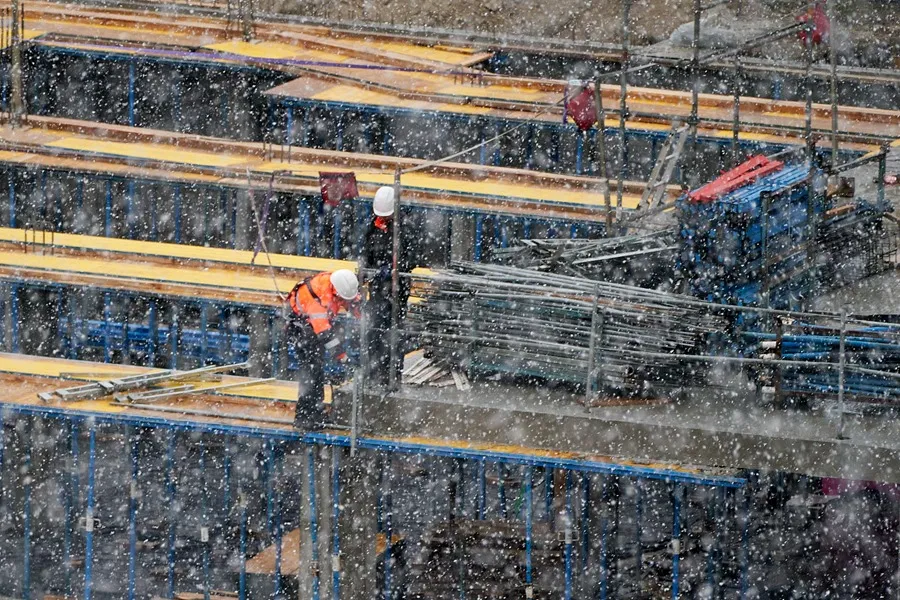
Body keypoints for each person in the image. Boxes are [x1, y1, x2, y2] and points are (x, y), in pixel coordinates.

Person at [285, 269, 360, 430]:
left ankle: (317, 413)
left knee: (317, 371)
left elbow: (351, 301)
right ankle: (304, 418)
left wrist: (362, 315)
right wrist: (343, 357)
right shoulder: (317, 301)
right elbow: (325, 334)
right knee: (311, 373)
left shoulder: (338, 283)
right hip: (301, 330)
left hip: (312, 328)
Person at [365, 186, 411, 385]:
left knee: (393, 334)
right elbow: (365, 254)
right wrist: (370, 270)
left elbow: (411, 258)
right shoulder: (372, 227)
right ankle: (375, 373)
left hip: (396, 290)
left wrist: (396, 269)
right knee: (374, 331)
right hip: (377, 289)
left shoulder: (404, 230)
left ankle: (392, 375)